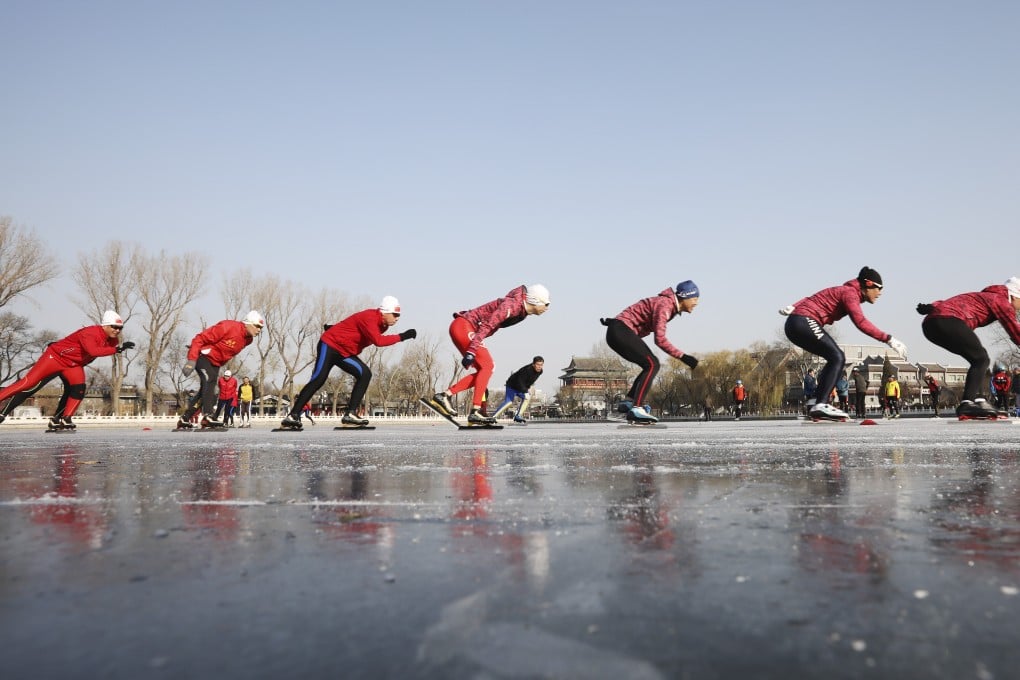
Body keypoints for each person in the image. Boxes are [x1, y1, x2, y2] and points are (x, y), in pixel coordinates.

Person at [780, 267, 907, 421]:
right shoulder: (850, 294)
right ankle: (821, 404)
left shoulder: (845, 290)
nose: (880, 293)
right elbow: (860, 322)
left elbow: (812, 297)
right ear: (868, 284)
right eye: (879, 288)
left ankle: (816, 402)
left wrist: (794, 305)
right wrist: (888, 339)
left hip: (794, 324)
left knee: (833, 357)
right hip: (803, 321)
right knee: (838, 357)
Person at [280, 296, 415, 430]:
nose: (397, 318)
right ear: (384, 312)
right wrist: (403, 336)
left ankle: (350, 414)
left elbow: (355, 326)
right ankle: (293, 415)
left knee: (365, 374)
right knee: (319, 379)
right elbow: (378, 341)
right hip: (329, 346)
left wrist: (337, 327)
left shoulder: (383, 325)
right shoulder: (370, 318)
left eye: (399, 315)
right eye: (395, 314)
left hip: (344, 353)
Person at [429, 284, 551, 425]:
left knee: (485, 369)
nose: (547, 308)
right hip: (464, 326)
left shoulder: (521, 312)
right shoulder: (511, 306)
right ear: (536, 300)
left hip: (466, 328)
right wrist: (472, 349)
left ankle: (445, 396)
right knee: (488, 365)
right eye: (546, 303)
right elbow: (488, 325)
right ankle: (474, 412)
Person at [0, 310, 133, 429]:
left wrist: (114, 349)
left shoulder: (113, 341)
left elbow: (93, 355)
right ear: (105, 325)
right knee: (28, 384)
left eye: (120, 328)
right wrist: (117, 349)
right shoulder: (90, 333)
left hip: (72, 364)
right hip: (55, 358)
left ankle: (65, 418)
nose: (117, 330)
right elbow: (92, 351)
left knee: (79, 388)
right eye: (114, 327)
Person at [916, 277, 1020, 418]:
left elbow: (952, 303)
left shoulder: (982, 296)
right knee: (981, 359)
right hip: (948, 321)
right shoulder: (1001, 300)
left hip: (930, 325)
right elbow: (1015, 331)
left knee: (977, 360)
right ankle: (968, 403)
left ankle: (977, 401)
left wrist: (932, 306)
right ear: (1014, 296)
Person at [600, 281, 700, 424]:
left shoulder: (667, 305)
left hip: (617, 331)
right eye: (695, 299)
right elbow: (660, 339)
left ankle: (629, 403)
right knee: (653, 364)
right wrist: (684, 357)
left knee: (648, 364)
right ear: (685, 296)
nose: (696, 303)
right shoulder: (665, 305)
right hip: (620, 331)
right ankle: (637, 407)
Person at [179, 311, 265, 429]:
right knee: (208, 382)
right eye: (257, 326)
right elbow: (199, 338)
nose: (259, 330)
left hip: (215, 363)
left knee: (206, 391)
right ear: (248, 323)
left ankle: (185, 418)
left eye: (261, 328)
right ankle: (208, 415)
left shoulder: (248, 340)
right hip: (202, 356)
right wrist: (191, 360)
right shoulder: (228, 326)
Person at [491, 356, 545, 423]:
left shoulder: (540, 371)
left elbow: (529, 381)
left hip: (521, 387)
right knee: (509, 402)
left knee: (527, 398)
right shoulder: (527, 370)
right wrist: (525, 391)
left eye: (541, 365)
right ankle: (493, 417)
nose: (539, 367)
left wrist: (527, 389)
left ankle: (518, 416)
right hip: (512, 385)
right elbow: (520, 381)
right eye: (538, 365)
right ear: (533, 364)